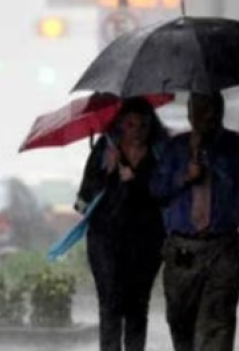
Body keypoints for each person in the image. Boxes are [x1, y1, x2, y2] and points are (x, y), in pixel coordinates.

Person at [150, 92, 239, 351]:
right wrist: (184, 176)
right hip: (182, 249)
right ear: (189, 113)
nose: (204, 115)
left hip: (222, 247)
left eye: (210, 108)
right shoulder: (174, 148)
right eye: (197, 109)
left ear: (220, 111)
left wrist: (207, 156)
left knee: (217, 324)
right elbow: (156, 189)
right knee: (180, 322)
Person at [75, 96, 168, 351]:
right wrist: (106, 172)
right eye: (130, 125)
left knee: (138, 305)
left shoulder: (162, 153)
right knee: (110, 303)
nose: (136, 132)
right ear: (120, 125)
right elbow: (82, 201)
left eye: (143, 126)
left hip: (147, 241)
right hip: (106, 240)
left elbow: (167, 193)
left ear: (152, 126)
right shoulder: (104, 150)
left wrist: (137, 180)